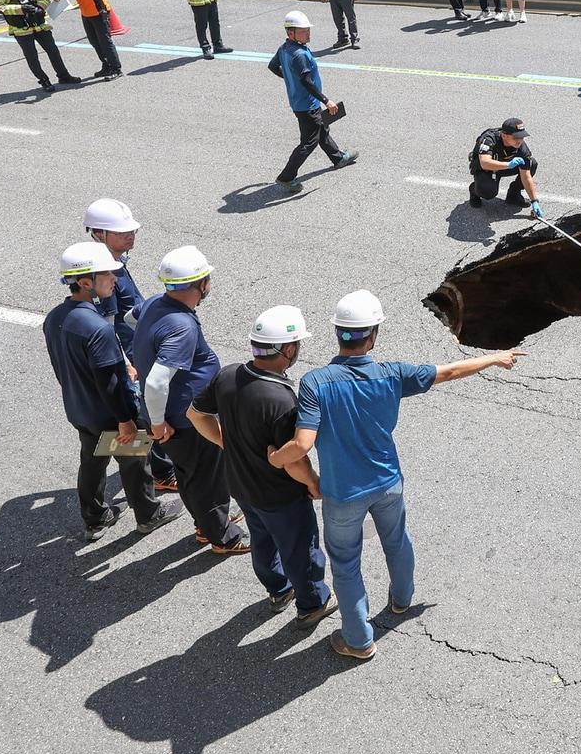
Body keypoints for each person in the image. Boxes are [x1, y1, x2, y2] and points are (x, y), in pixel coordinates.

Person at [268, 290, 526, 659]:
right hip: (388, 483)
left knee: (345, 564)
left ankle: (358, 641)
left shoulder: (315, 383)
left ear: (338, 333)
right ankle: (402, 600)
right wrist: (494, 358)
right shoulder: (392, 374)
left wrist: (278, 459)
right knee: (397, 540)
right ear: (372, 336)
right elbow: (449, 371)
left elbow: (303, 444)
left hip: (342, 493)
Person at [189, 306, 338, 627]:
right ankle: (312, 601)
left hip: (241, 485)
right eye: (297, 343)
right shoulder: (282, 399)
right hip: (279, 493)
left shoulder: (227, 374)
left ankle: (278, 589)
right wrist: (313, 483)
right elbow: (295, 460)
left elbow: (195, 415)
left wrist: (223, 442)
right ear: (287, 349)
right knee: (301, 550)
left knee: (262, 540)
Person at [44, 242, 184, 542]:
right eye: (107, 274)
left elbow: (65, 367)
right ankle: (148, 516)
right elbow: (110, 383)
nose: (115, 279)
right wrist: (126, 420)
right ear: (85, 283)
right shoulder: (98, 328)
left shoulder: (54, 318)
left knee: (93, 461)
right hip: (110, 413)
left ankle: (95, 519)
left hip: (78, 409)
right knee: (136, 462)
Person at [132, 245, 250, 554]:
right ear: (200, 284)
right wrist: (158, 425)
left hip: (177, 417)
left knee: (194, 474)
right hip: (187, 420)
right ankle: (220, 536)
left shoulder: (155, 303)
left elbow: (132, 322)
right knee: (204, 479)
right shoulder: (182, 326)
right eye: (207, 278)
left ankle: (211, 519)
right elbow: (157, 382)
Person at [83, 197, 179, 495]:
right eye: (122, 231)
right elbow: (108, 324)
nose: (131, 235)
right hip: (129, 362)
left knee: (139, 423)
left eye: (132, 230)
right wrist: (126, 363)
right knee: (138, 424)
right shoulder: (102, 273)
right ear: (99, 233)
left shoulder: (113, 262)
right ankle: (153, 486)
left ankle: (154, 474)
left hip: (136, 353)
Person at [268, 10, 358, 193]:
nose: (308, 34)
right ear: (290, 33)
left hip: (299, 102)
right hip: (307, 104)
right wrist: (327, 101)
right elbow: (307, 82)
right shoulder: (299, 55)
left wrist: (289, 79)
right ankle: (286, 177)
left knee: (321, 130)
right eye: (303, 31)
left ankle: (338, 158)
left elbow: (272, 66)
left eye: (308, 30)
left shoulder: (285, 48)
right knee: (309, 142)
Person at [52, 0, 122, 81]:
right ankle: (106, 65)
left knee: (105, 41)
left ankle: (116, 68)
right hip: (85, 12)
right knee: (94, 41)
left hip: (98, 11)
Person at [468, 117, 544, 215]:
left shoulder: (521, 148)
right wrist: (508, 164)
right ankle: (474, 190)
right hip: (486, 169)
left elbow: (526, 176)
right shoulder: (489, 139)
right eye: (516, 137)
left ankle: (513, 195)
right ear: (504, 136)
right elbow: (485, 163)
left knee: (531, 164)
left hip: (505, 166)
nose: (520, 141)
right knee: (487, 193)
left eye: (522, 137)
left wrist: (534, 201)